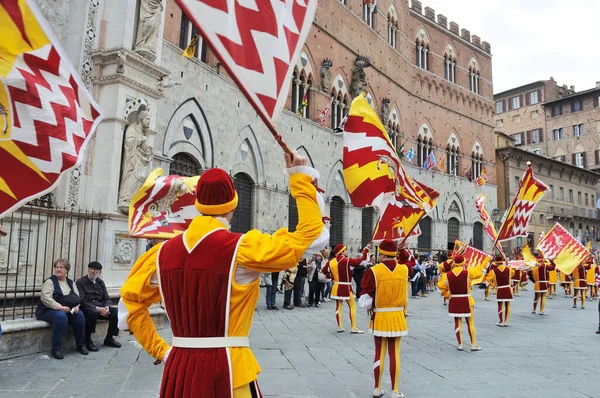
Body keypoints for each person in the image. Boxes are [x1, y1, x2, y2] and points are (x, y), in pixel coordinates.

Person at [119, 150, 326, 397]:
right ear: (232, 208)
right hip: (230, 372)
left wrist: (161, 350)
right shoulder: (243, 250)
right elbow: (312, 237)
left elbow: (129, 306)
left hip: (180, 372)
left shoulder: (158, 255)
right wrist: (300, 177)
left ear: (198, 205)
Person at [359, 239, 408, 398]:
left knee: (379, 353)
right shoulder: (404, 269)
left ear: (381, 254)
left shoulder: (374, 271)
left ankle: (377, 387)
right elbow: (408, 261)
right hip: (398, 316)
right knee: (395, 354)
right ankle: (395, 390)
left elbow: (366, 298)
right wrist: (402, 250)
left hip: (380, 316)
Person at [35, 259, 88, 359]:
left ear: (66, 270)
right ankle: (56, 349)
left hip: (68, 309)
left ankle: (81, 345)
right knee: (61, 317)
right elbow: (46, 298)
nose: (58, 269)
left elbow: (78, 297)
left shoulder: (71, 283)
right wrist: (60, 307)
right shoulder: (50, 282)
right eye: (56, 267)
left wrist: (77, 307)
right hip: (48, 310)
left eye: (61, 267)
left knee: (79, 315)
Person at [437, 254, 483, 351]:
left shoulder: (447, 275)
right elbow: (479, 273)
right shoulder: (468, 273)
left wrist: (446, 295)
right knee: (470, 323)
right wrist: (486, 259)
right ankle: (473, 344)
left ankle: (460, 344)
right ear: (463, 263)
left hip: (454, 300)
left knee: (457, 322)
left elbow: (440, 286)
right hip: (467, 300)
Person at [322, 244, 368, 333]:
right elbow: (360, 260)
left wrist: (332, 278)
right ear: (342, 252)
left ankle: (340, 326)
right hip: (346, 286)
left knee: (338, 306)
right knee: (352, 306)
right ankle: (353, 327)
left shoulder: (331, 262)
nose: (346, 251)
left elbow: (324, 271)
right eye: (345, 250)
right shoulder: (347, 261)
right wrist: (365, 251)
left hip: (337, 286)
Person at [76, 261, 121, 351]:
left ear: (99, 273)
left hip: (101, 306)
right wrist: (97, 309)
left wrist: (106, 307)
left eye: (96, 270)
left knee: (116, 312)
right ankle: (87, 340)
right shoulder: (80, 282)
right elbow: (81, 300)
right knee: (93, 313)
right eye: (91, 269)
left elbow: (107, 298)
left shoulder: (101, 283)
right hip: (87, 307)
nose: (93, 271)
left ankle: (109, 338)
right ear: (88, 270)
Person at [488, 256, 515, 327]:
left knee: (500, 305)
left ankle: (501, 321)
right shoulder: (509, 269)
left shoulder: (493, 271)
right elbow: (513, 273)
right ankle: (506, 321)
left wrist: (493, 285)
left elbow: (488, 279)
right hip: (508, 288)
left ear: (496, 263)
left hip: (500, 289)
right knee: (507, 305)